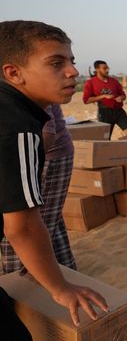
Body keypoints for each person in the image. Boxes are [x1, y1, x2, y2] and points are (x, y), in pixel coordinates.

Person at [0, 20, 108, 341]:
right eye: (56, 62)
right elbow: (22, 227)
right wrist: (60, 287)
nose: (73, 71)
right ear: (13, 73)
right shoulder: (16, 125)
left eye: (72, 60)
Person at [1, 103, 77, 273]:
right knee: (49, 221)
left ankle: (20, 286)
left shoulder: (18, 86)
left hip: (46, 157)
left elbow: (47, 134)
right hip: (28, 157)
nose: (73, 74)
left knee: (25, 231)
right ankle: (66, 275)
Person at [82, 60, 127, 138]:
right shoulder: (90, 83)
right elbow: (86, 100)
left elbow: (123, 95)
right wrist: (103, 96)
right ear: (97, 69)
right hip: (104, 113)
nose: (107, 70)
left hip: (119, 111)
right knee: (105, 138)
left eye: (108, 68)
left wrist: (121, 98)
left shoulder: (114, 81)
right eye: (104, 68)